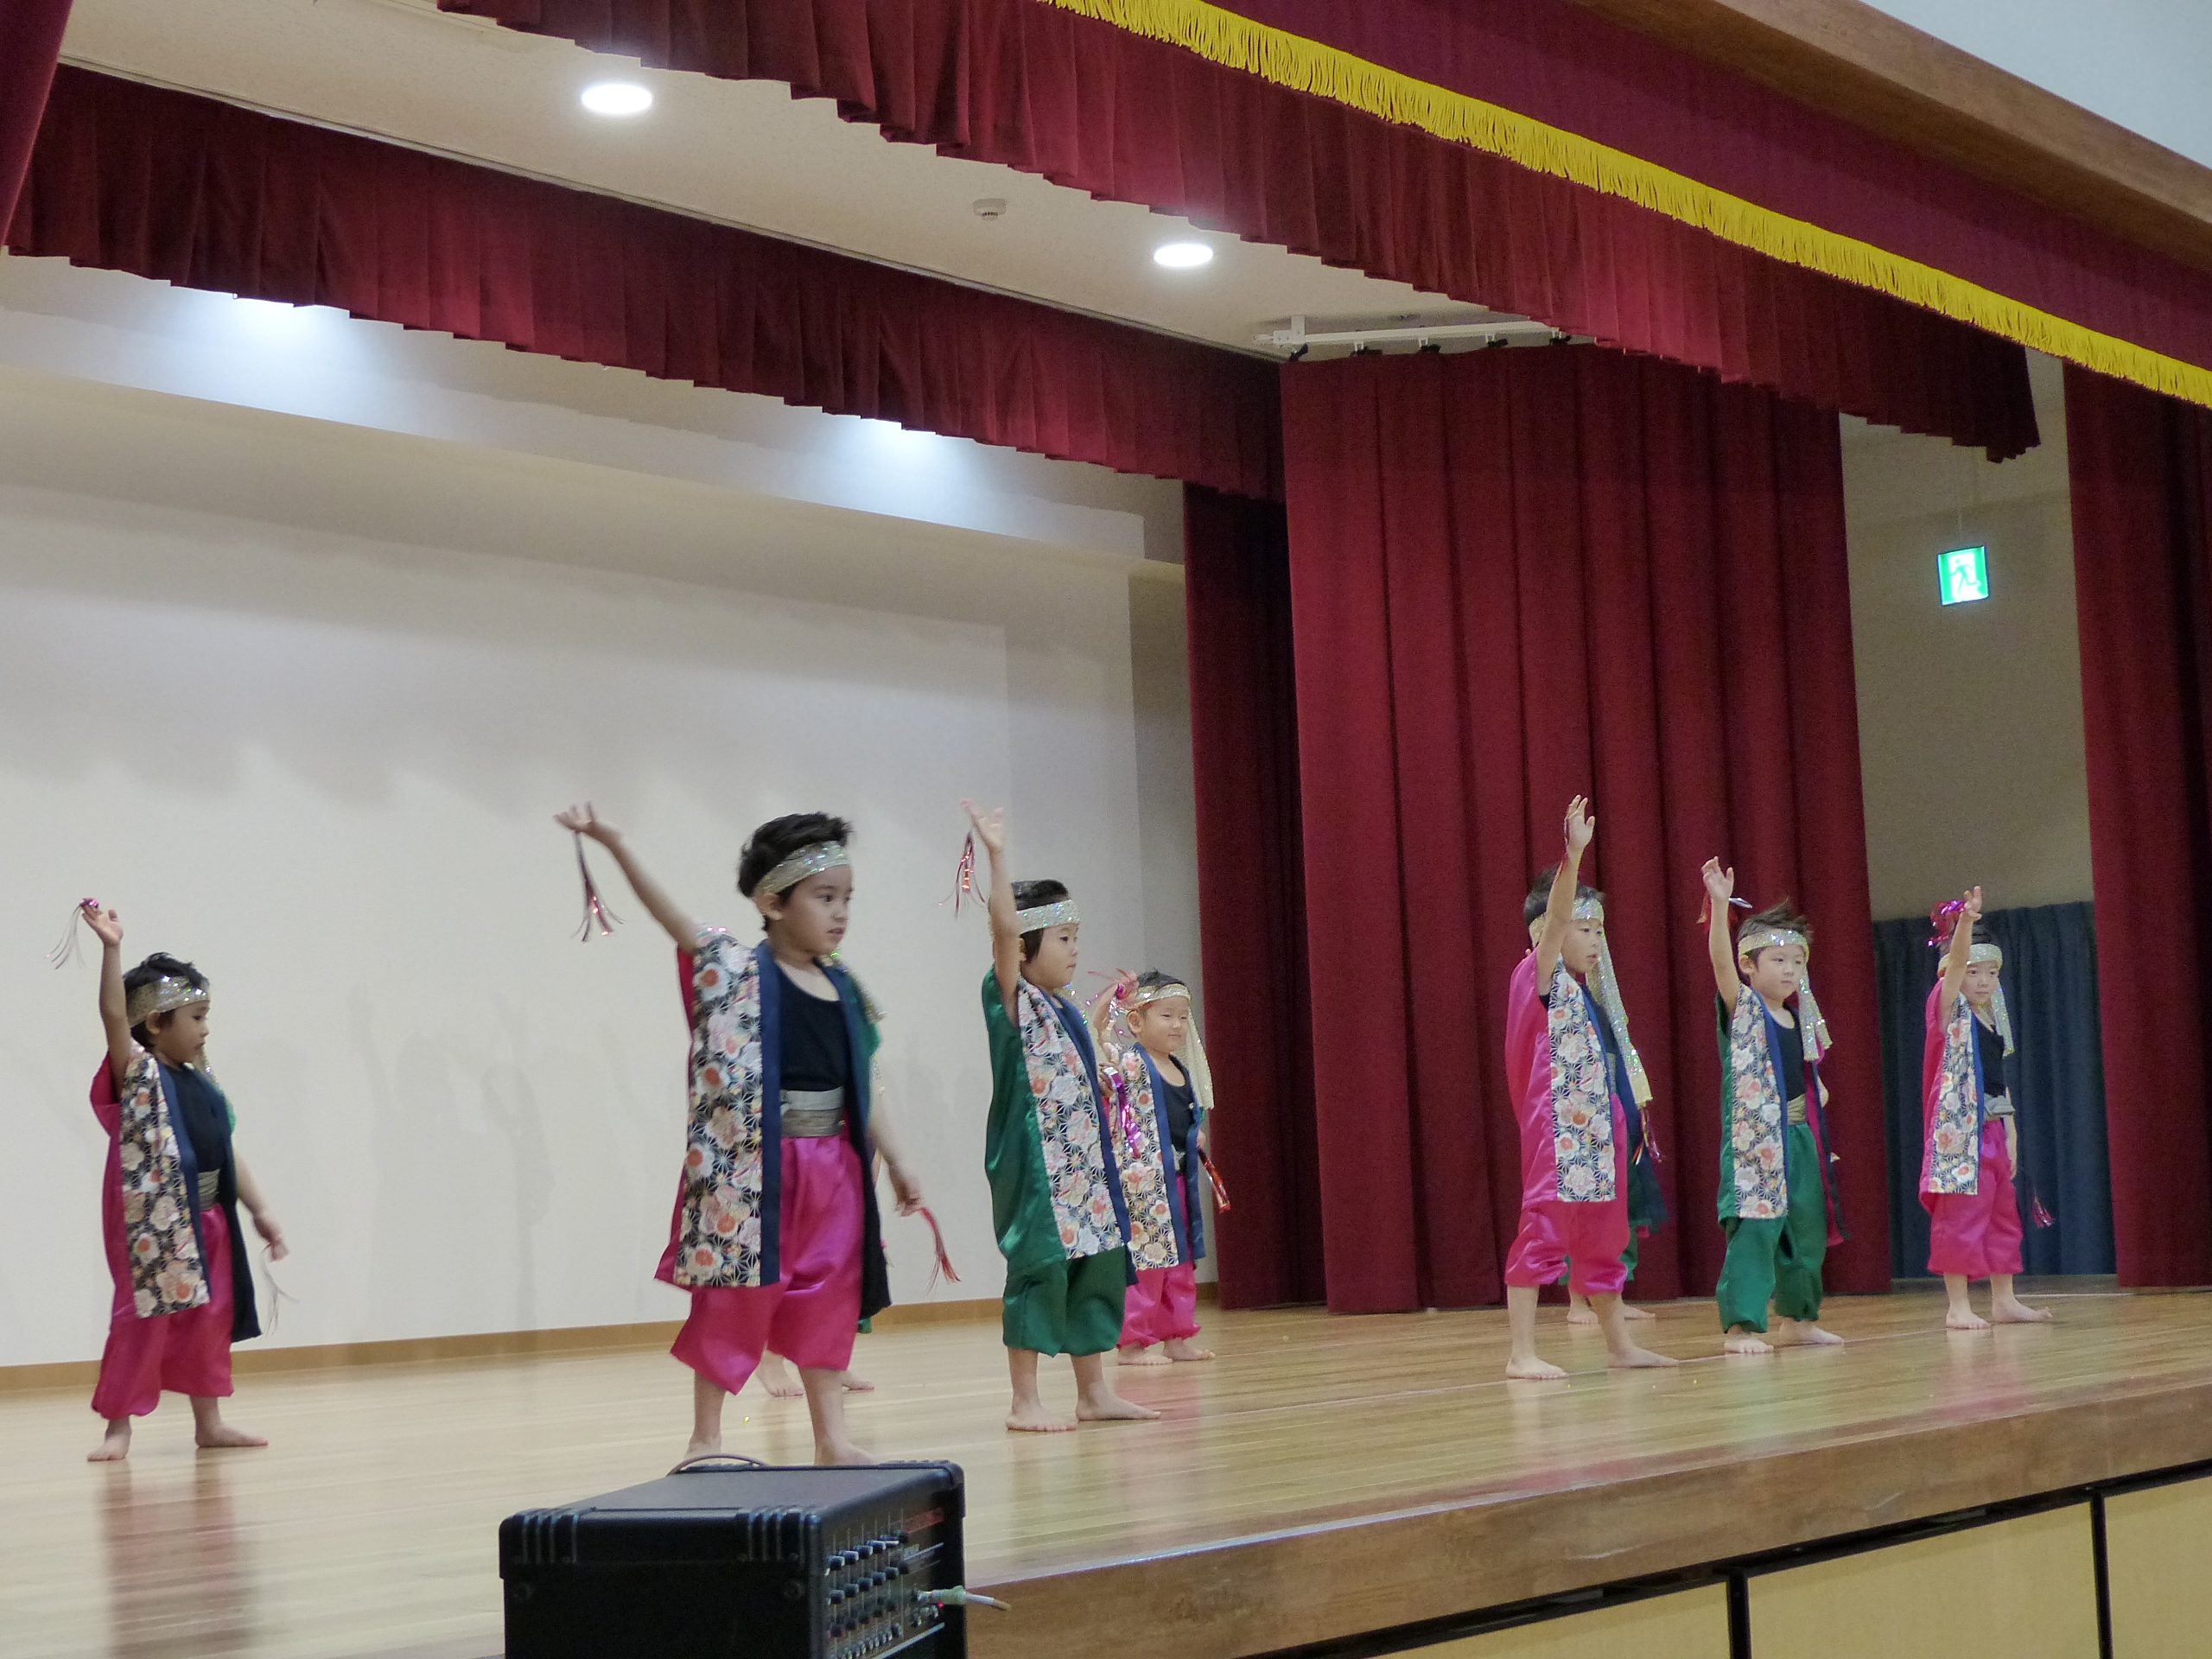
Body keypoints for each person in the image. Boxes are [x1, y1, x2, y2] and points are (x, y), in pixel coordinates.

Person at [556, 805, 925, 1465]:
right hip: (752, 1173)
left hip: (832, 1171)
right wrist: (613, 844)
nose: (840, 912)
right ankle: (705, 1439)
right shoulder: (734, 971)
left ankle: (832, 1439)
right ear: (772, 902)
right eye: (824, 897)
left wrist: (896, 1159)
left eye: (847, 898)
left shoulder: (844, 988)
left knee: (828, 1298)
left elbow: (865, 1080)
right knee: (733, 1299)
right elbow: (670, 916)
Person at [964, 801, 1159, 1432]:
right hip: (1035, 1167)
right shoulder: (1011, 996)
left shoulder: (1063, 1006)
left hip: (1084, 1170)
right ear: (1025, 947)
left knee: (1095, 1263)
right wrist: (997, 856)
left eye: (1077, 937)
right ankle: (1024, 1401)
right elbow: (1001, 932)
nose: (1076, 950)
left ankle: (1093, 1391)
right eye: (1064, 939)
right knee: (1039, 1269)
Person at [81, 906, 288, 1462]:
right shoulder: (139, 1074)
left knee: (208, 1321)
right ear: (155, 1024)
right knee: (141, 1320)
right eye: (196, 1017)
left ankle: (209, 1423)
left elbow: (226, 1151)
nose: (205, 1028)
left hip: (210, 1220)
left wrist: (260, 1209)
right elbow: (112, 1015)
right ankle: (118, 1427)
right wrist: (112, 949)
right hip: (155, 1228)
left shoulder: (202, 1085)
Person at [1501, 798, 1677, 1380]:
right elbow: (1555, 919)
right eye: (1586, 928)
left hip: (1598, 1136)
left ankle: (1619, 1346)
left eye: (1599, 929)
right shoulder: (1538, 976)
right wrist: (1573, 856)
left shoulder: (1582, 993)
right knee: (1543, 1230)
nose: (1596, 940)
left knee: (1604, 1239)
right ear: (1546, 933)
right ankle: (1522, 1353)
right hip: (1557, 1135)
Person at [1700, 861, 1846, 1355]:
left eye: (1797, 962)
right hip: (1756, 1142)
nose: (1789, 970)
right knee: (1756, 1228)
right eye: (1778, 960)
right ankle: (1741, 1326)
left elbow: (1807, 1077)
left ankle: (1799, 1319)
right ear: (1749, 965)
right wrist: (1720, 905)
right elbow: (1719, 962)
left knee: (1805, 1227)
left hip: (1799, 1137)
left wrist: (1816, 1093)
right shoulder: (1744, 1007)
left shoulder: (1798, 1019)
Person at [1923, 890, 2050, 1330]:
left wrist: (2011, 1132)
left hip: (1993, 1127)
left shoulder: (1991, 1020)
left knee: (2002, 1216)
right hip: (1958, 1132)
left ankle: (2004, 1300)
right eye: (1974, 972)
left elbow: (1999, 1082)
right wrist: (1965, 925)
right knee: (1960, 1215)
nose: (1983, 981)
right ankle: (1958, 1305)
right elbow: (1957, 963)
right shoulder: (1947, 1010)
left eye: (1991, 973)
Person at [1089, 970, 1215, 1365]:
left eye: (1183, 1016)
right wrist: (1112, 997)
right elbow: (1095, 1038)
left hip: (1177, 1184)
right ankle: (1132, 1343)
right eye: (1167, 1015)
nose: (1177, 1025)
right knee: (1147, 1263)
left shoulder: (1180, 1068)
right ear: (1136, 1021)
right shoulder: (1130, 1064)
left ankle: (1176, 1336)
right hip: (1142, 1187)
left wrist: (1195, 1135)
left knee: (1180, 1263)